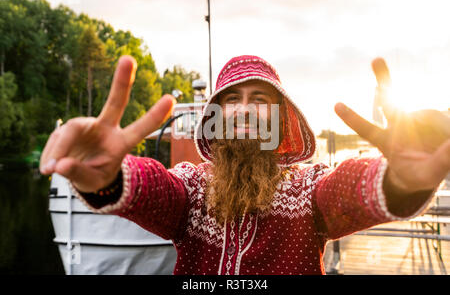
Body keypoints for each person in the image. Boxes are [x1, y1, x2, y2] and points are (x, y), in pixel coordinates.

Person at [40, 54, 450, 275]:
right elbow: (156, 190)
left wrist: (400, 180)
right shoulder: (193, 189)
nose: (244, 111)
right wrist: (109, 176)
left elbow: (348, 191)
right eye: (232, 100)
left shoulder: (308, 189)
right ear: (216, 118)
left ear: (280, 118)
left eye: (260, 100)